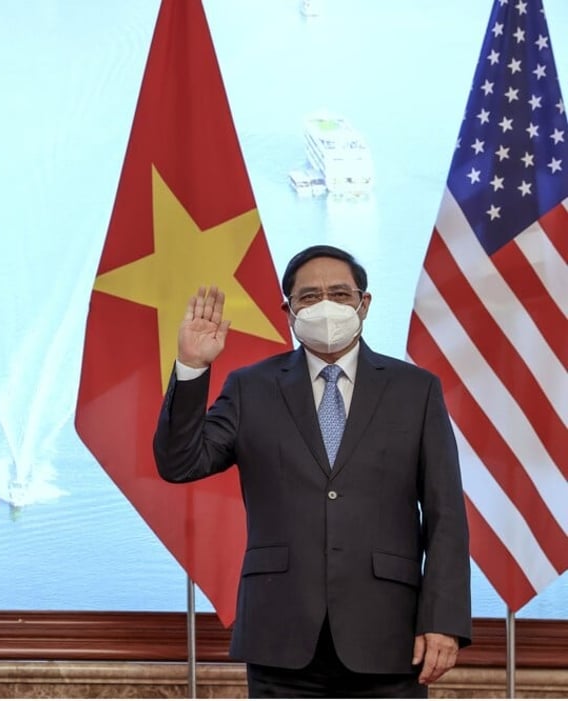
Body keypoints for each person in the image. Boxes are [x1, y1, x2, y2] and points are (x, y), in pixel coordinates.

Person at [153, 244, 471, 698]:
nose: (326, 305)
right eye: (309, 296)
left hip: (389, 635)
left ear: (365, 303)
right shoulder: (250, 387)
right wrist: (192, 367)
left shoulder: (415, 390)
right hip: (281, 637)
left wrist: (442, 621)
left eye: (340, 294)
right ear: (288, 310)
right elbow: (180, 463)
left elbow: (446, 516)